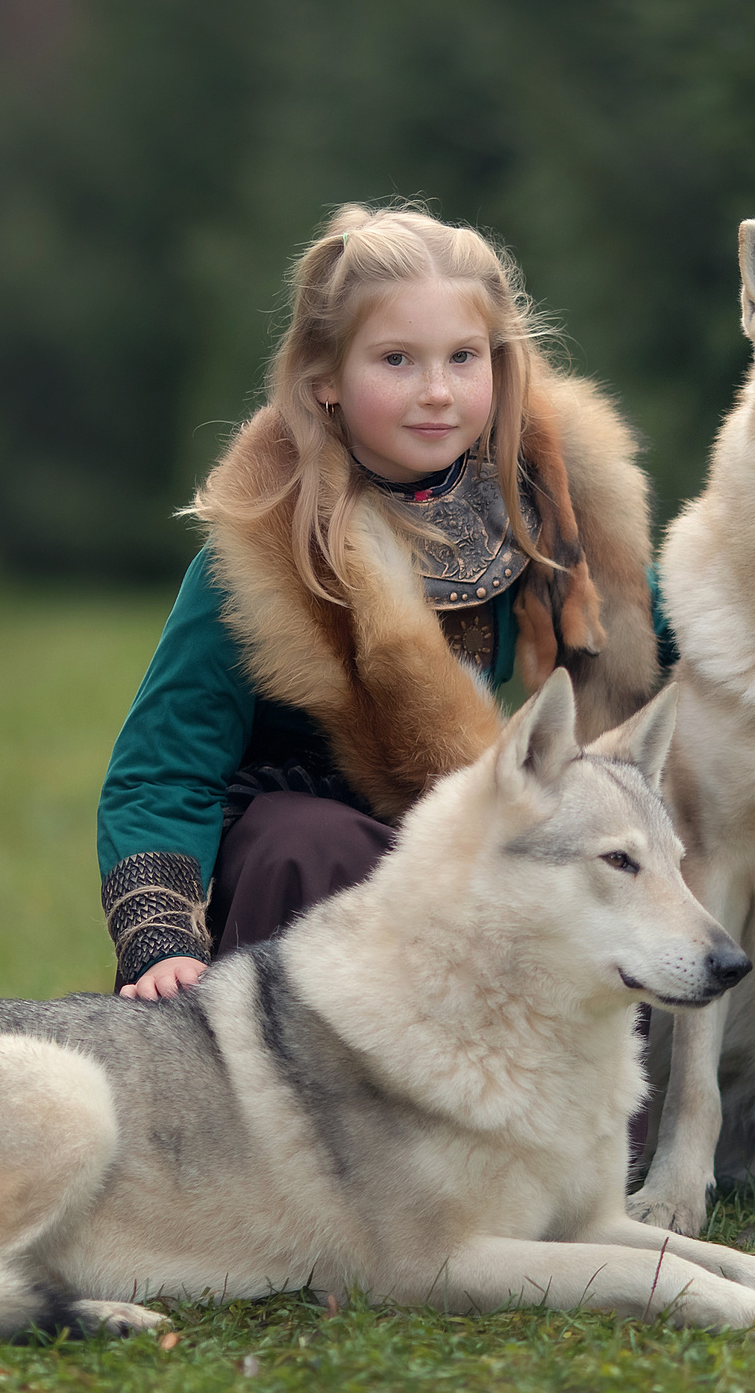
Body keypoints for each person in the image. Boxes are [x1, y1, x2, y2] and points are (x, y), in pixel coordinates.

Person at [98, 202, 668, 1001]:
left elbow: (672, 655)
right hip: (305, 855)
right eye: (397, 359)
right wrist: (158, 937)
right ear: (325, 377)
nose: (437, 391)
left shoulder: (554, 516)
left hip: (473, 835)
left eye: (463, 357)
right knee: (313, 844)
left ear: (501, 368)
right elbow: (163, 765)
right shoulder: (270, 542)